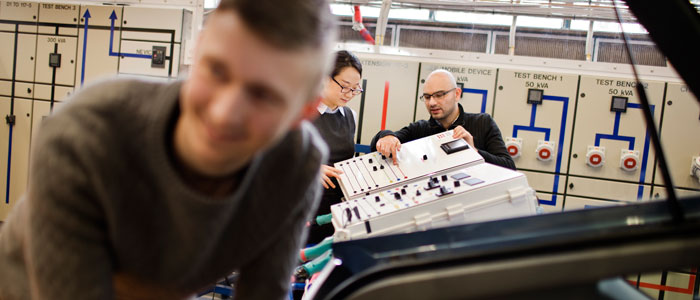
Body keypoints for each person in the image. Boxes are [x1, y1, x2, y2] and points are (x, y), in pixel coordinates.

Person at [0, 0, 336, 299]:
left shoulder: (295, 167)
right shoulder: (90, 133)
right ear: (198, 49)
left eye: (262, 95)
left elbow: (265, 291)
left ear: (303, 113)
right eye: (216, 71)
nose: (223, 114)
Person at [371, 69, 515, 169]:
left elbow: (509, 167)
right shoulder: (420, 129)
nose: (432, 102)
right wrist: (387, 136)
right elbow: (379, 144)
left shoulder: (483, 123)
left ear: (457, 94)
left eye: (439, 95)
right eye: (427, 97)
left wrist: (473, 151)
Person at [308, 50, 363, 244]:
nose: (350, 94)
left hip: (337, 209)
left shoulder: (350, 116)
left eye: (356, 89)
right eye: (345, 87)